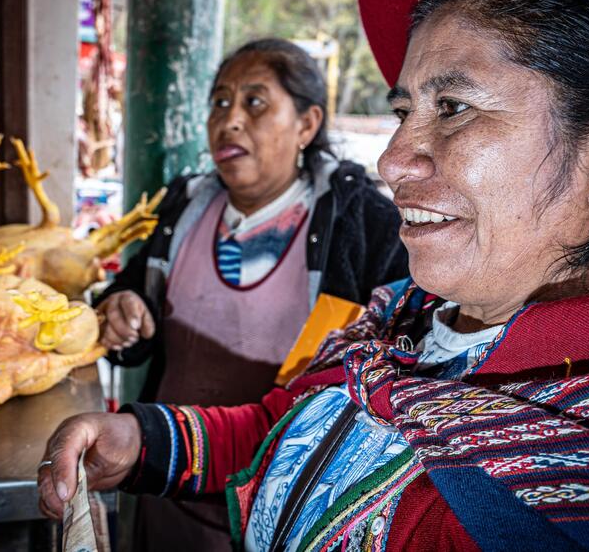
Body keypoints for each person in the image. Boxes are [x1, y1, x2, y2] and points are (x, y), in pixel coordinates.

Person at [40, 0, 589, 550]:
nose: (394, 160)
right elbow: (288, 426)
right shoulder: (399, 318)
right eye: (404, 112)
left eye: (453, 107)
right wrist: (142, 441)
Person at [97, 38, 409, 548]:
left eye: (255, 102)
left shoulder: (362, 225)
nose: (230, 120)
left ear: (306, 124)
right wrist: (122, 312)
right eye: (220, 102)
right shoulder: (184, 208)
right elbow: (129, 303)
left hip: (281, 513)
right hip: (168, 484)